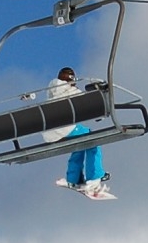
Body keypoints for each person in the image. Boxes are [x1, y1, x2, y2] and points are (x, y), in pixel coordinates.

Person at [41, 67, 112, 197]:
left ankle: (74, 178)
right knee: (92, 139)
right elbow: (88, 105)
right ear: (72, 80)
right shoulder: (71, 91)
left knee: (80, 143)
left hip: (49, 133)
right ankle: (95, 177)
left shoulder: (52, 92)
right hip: (64, 129)